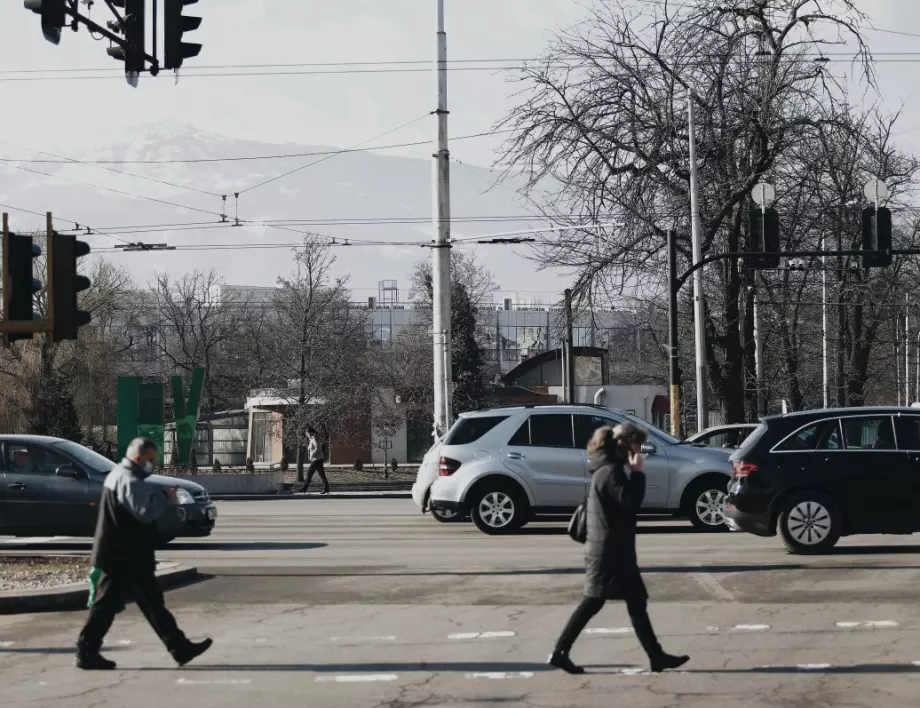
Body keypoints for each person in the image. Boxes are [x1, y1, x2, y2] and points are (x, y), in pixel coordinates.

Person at [548, 424, 689, 675]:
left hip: (612, 549)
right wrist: (638, 473)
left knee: (635, 602)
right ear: (626, 446)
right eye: (638, 447)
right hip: (609, 552)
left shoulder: (607, 469)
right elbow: (630, 503)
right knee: (594, 602)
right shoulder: (612, 472)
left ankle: (656, 656)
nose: (640, 452)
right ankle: (560, 651)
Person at [75, 437, 212, 670]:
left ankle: (179, 647)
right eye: (151, 459)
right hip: (124, 556)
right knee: (113, 606)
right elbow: (145, 513)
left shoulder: (120, 474)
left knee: (147, 604)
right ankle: (86, 651)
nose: (153, 463)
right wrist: (164, 497)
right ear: (139, 458)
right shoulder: (130, 480)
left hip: (123, 554)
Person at [299, 427, 329, 495]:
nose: (306, 435)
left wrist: (312, 455)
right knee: (322, 475)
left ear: (311, 433)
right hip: (318, 459)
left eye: (307, 433)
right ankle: (326, 488)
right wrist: (310, 455)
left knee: (309, 473)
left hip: (317, 459)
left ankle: (304, 488)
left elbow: (318, 448)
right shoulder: (311, 439)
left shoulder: (315, 438)